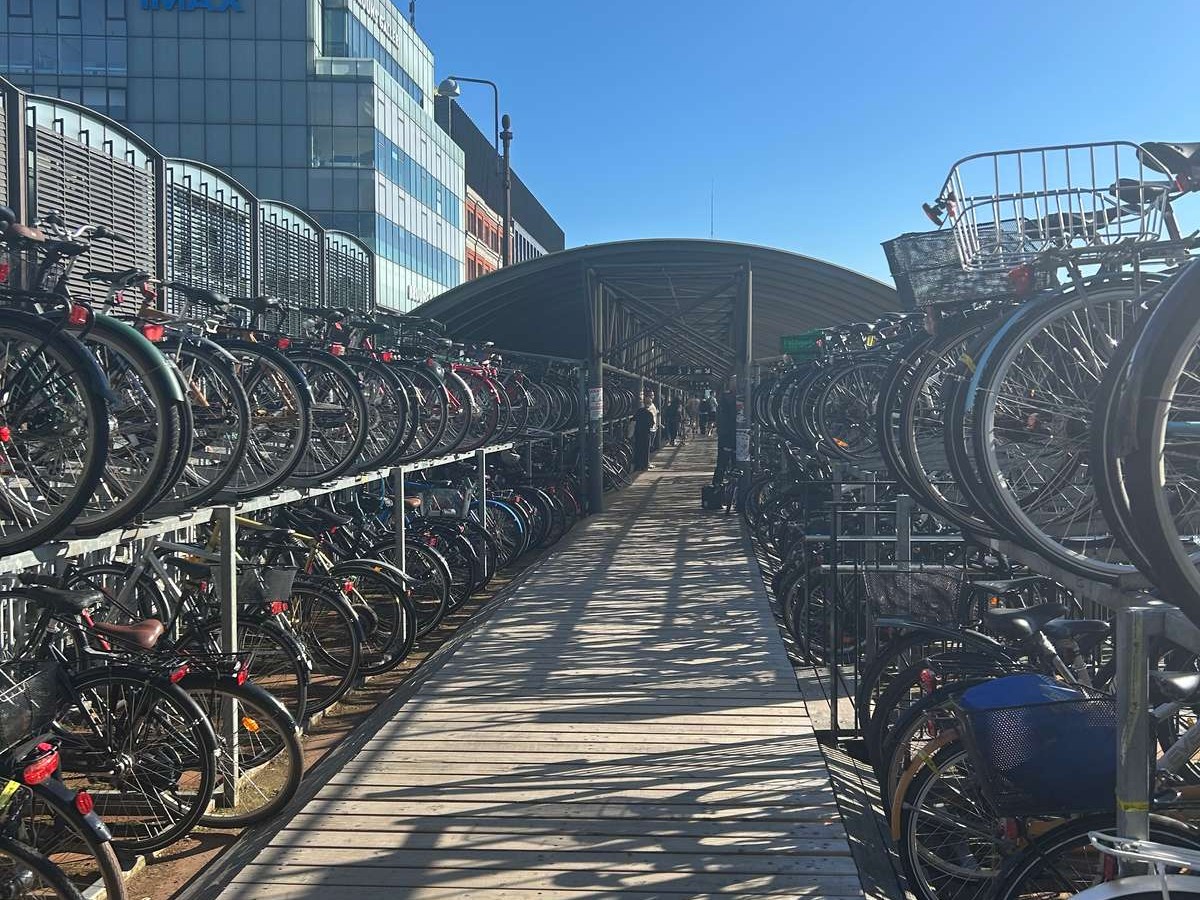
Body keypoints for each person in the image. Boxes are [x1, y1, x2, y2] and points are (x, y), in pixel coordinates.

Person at [712, 385, 738, 488]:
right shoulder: (733, 402)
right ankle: (733, 486)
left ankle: (716, 485)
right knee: (734, 461)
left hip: (723, 435)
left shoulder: (722, 402)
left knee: (721, 462)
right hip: (731, 435)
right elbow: (733, 419)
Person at [632, 392, 655, 471]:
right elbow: (652, 424)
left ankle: (638, 465)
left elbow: (633, 420)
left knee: (638, 449)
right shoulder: (649, 413)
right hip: (646, 434)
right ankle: (645, 465)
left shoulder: (639, 411)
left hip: (638, 433)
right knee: (645, 450)